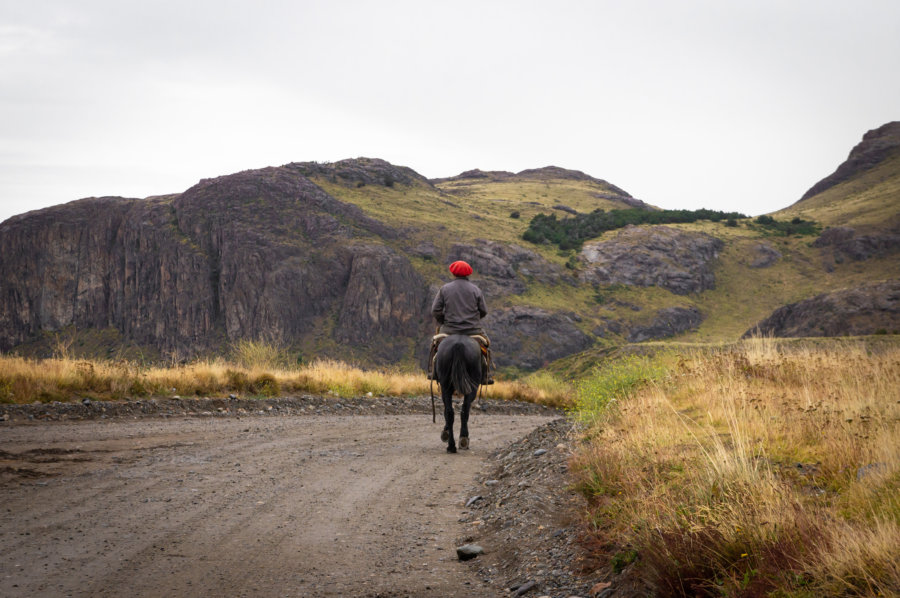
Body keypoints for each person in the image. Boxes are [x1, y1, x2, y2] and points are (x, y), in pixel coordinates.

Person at [429, 260, 493, 384]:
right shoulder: (476, 290)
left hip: (449, 329)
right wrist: (473, 320)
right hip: (472, 330)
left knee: (434, 344)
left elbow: (435, 310)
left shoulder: (444, 289)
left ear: (453, 273)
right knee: (486, 345)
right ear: (468, 274)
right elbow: (484, 311)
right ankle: (486, 375)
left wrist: (444, 321)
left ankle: (432, 372)